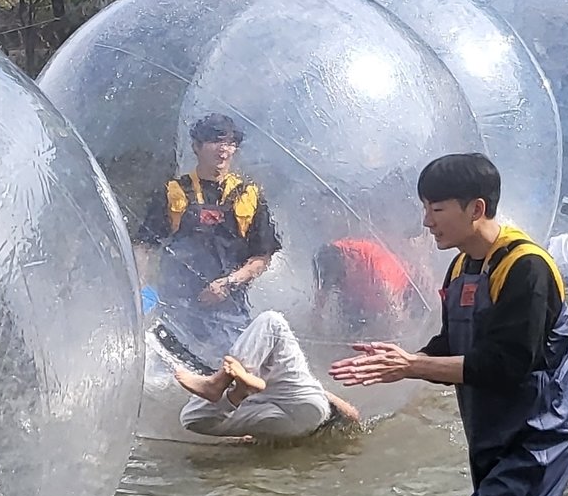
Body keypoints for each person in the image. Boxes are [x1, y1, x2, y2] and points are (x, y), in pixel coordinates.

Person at [328, 154, 568, 496]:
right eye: (425, 208)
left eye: (436, 209)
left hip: (537, 437)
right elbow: (456, 344)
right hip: (491, 432)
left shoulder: (526, 268)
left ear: (476, 209)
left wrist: (412, 365)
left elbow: (507, 366)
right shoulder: (462, 267)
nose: (426, 221)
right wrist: (402, 359)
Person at [135, 113, 281, 370]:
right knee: (165, 379)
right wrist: (143, 291)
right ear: (196, 146)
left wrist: (228, 283)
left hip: (228, 311)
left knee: (238, 377)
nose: (224, 149)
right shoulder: (173, 192)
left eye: (231, 143)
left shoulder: (249, 195)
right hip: (177, 309)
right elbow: (144, 247)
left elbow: (262, 257)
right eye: (215, 141)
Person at [174, 310, 361, 441]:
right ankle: (236, 392)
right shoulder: (278, 369)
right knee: (190, 418)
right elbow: (353, 417)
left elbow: (352, 415)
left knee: (272, 321)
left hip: (295, 407)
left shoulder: (266, 360)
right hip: (297, 422)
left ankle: (219, 383)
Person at [313, 237, 421, 336]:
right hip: (360, 292)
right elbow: (320, 297)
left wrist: (397, 336)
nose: (336, 285)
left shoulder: (379, 271)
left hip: (396, 293)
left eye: (338, 281)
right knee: (347, 330)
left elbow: (396, 312)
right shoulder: (330, 254)